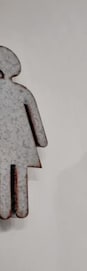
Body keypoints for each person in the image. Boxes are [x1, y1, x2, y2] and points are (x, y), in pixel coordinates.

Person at [0, 46, 47, 218]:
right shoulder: (22, 92)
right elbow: (35, 120)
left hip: (4, 146)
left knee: (3, 174)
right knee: (20, 174)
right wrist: (41, 140)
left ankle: (4, 210)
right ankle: (21, 208)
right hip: (22, 145)